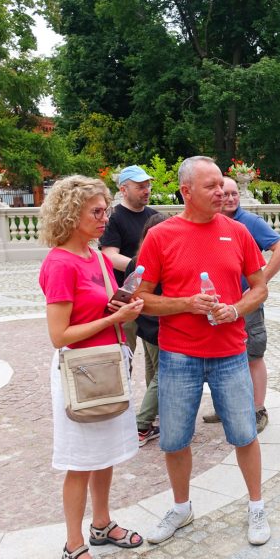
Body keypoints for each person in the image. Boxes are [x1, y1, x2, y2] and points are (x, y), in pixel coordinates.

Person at [135, 156, 271, 547]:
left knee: (245, 434)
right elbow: (142, 299)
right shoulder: (161, 236)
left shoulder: (237, 231)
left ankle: (256, 505)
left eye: (222, 185)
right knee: (175, 439)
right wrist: (187, 304)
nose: (221, 193)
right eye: (210, 186)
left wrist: (236, 308)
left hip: (230, 351)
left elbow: (259, 287)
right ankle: (181, 507)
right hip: (179, 355)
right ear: (186, 191)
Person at [38, 175, 145, 559]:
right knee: (79, 463)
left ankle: (101, 524)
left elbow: (97, 311)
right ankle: (73, 544)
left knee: (106, 456)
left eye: (106, 211)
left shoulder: (95, 255)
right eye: (96, 212)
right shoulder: (60, 263)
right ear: (71, 215)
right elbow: (58, 336)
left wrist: (120, 306)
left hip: (108, 364)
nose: (105, 218)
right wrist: (117, 317)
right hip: (80, 371)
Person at [202, 176, 280, 433]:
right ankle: (225, 406)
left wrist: (259, 283)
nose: (229, 198)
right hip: (218, 304)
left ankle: (258, 408)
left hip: (246, 304)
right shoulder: (212, 221)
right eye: (224, 193)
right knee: (222, 356)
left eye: (233, 194)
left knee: (253, 354)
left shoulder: (248, 221)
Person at [100, 165, 159, 434]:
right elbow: (109, 255)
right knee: (124, 356)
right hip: (123, 300)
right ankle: (119, 415)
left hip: (149, 299)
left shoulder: (154, 216)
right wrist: (142, 266)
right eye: (140, 186)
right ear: (123, 189)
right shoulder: (114, 218)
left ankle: (151, 414)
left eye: (147, 185)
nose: (146, 190)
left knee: (152, 359)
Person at [126, 212, 169, 446]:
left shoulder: (136, 259)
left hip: (143, 324)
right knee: (162, 374)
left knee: (153, 369)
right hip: (159, 325)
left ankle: (157, 412)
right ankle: (142, 424)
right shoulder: (160, 259)